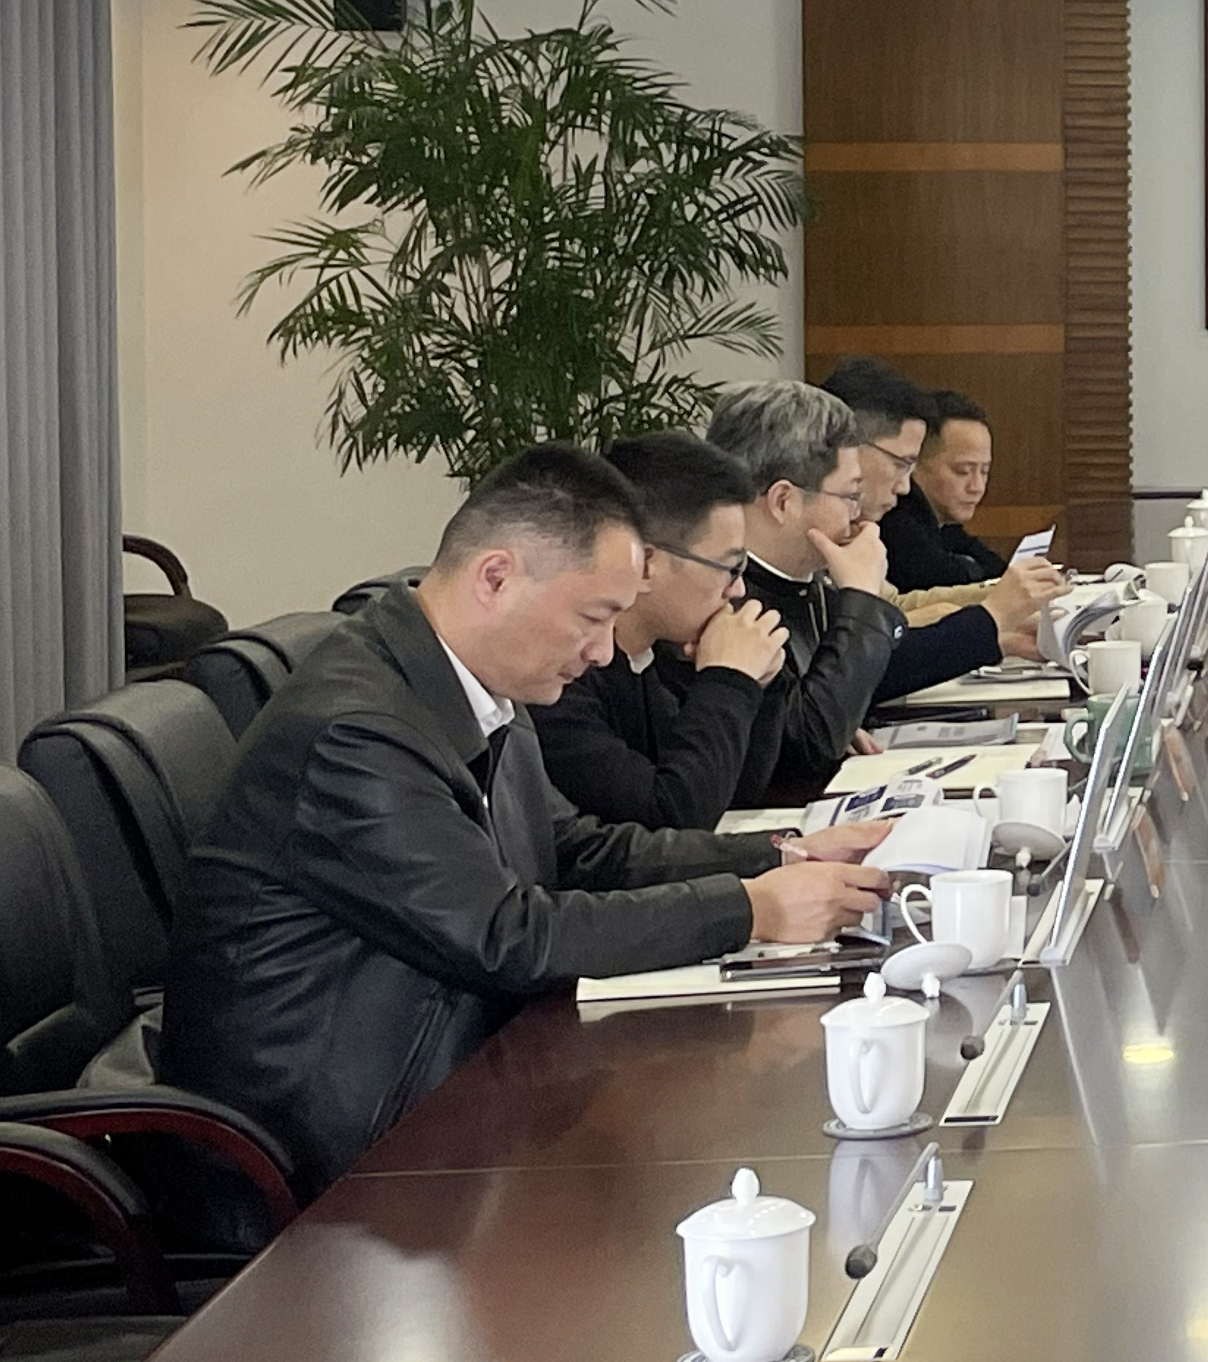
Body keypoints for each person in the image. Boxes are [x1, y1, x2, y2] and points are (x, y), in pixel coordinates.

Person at [159, 446, 892, 1193]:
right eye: (593, 617)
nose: (602, 651)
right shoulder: (358, 733)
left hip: (444, 1080)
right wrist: (750, 910)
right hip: (323, 1157)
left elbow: (569, 848)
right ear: (496, 578)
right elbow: (505, 937)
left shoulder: (459, 679)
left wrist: (776, 857)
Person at [534, 432, 797, 828]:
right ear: (645, 565)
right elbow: (673, 815)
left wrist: (758, 684)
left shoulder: (659, 656)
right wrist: (728, 680)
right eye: (730, 567)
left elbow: (733, 797)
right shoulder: (558, 677)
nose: (738, 589)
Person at [820, 359, 1059, 708]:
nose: (905, 487)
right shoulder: (883, 524)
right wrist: (991, 617)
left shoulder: (857, 528)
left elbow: (892, 609)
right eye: (901, 464)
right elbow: (850, 670)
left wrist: (997, 621)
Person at [708, 380, 902, 799]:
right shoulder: (720, 599)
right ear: (783, 501)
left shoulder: (803, 582)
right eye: (850, 496)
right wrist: (863, 600)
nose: (859, 517)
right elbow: (806, 747)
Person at [885, 389, 1005, 593]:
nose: (977, 487)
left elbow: (999, 570)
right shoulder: (895, 521)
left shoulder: (945, 524)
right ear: (915, 464)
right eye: (962, 471)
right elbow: (948, 577)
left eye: (984, 471)